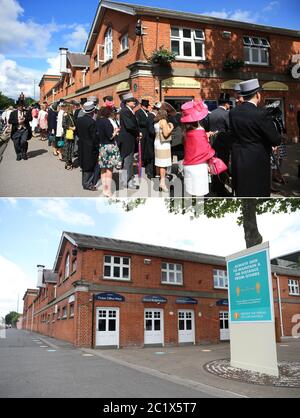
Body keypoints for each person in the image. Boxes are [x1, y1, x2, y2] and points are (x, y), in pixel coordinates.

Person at [229, 79, 282, 197]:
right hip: (257, 159)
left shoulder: (233, 112)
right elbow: (275, 139)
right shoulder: (261, 113)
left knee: (243, 192)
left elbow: (233, 134)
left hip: (239, 157)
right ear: (258, 95)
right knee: (258, 192)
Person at [181, 100, 215, 197]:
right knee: (200, 196)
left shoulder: (185, 132)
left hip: (188, 165)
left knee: (191, 194)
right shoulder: (201, 131)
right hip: (199, 167)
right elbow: (206, 150)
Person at [209, 92, 232, 196]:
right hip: (223, 144)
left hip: (212, 145)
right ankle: (220, 189)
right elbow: (229, 129)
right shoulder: (227, 114)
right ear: (226, 104)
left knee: (214, 165)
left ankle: (214, 186)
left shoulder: (211, 114)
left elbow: (208, 129)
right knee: (222, 166)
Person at [96, 106, 121, 197]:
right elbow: (110, 136)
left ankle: (104, 189)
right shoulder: (106, 121)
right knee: (109, 169)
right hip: (109, 146)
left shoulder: (98, 121)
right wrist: (116, 131)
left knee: (103, 168)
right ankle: (108, 190)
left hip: (102, 146)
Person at [118, 93, 141, 189]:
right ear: (127, 102)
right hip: (127, 139)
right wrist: (138, 132)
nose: (134, 102)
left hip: (129, 138)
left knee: (129, 161)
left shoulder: (129, 110)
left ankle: (126, 180)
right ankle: (126, 182)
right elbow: (130, 125)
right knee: (128, 161)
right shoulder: (125, 111)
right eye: (132, 101)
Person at [76, 101, 100, 191]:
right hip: (90, 146)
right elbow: (94, 137)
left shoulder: (79, 120)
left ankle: (86, 182)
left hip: (82, 144)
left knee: (84, 163)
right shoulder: (92, 122)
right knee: (89, 165)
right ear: (92, 111)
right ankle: (87, 184)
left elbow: (77, 132)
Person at [154, 109, 174, 192]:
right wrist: (171, 127)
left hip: (157, 142)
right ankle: (162, 183)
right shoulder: (163, 121)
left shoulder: (156, 122)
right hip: (163, 144)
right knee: (163, 163)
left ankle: (160, 181)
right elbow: (166, 134)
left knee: (159, 163)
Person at [144, 102, 160, 179]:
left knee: (152, 156)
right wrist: (157, 134)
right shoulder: (151, 116)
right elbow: (151, 130)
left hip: (151, 139)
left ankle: (151, 172)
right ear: (156, 110)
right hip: (151, 139)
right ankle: (151, 173)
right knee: (151, 156)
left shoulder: (151, 116)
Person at [63, 103, 76, 170]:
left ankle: (70, 161)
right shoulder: (65, 115)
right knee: (67, 148)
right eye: (72, 108)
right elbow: (64, 125)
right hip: (68, 133)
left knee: (71, 148)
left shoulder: (72, 115)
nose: (73, 109)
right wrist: (71, 128)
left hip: (72, 133)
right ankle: (67, 163)